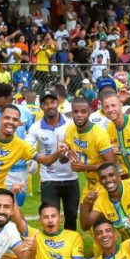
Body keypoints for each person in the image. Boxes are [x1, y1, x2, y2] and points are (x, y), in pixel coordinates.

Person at [27, 90, 79, 230]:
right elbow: (28, 148)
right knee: (51, 216)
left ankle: (71, 247)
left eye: (52, 102)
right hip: (49, 179)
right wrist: (31, 161)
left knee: (72, 216)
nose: (49, 106)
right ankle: (51, 248)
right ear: (41, 106)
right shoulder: (35, 128)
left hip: (70, 178)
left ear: (57, 103)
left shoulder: (70, 124)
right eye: (45, 103)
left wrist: (68, 153)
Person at [64, 97, 116, 200]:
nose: (79, 115)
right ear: (71, 113)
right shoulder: (70, 129)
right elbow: (63, 154)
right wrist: (67, 154)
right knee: (84, 215)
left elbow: (112, 163)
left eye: (83, 112)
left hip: (105, 183)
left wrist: (85, 167)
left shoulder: (99, 134)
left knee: (93, 215)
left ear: (90, 112)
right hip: (90, 183)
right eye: (75, 112)